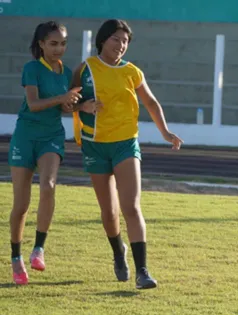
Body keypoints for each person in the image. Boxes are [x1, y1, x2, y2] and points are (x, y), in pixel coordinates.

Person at [71, 19, 183, 290]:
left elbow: (151, 103)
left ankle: (143, 271)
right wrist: (83, 106)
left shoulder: (132, 72)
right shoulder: (85, 69)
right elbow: (67, 103)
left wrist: (165, 133)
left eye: (125, 42)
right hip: (95, 145)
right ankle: (118, 252)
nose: (121, 46)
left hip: (125, 144)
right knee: (109, 214)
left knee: (131, 206)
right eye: (116, 40)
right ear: (102, 40)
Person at [8, 21, 83, 285]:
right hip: (25, 136)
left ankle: (39, 248)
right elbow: (34, 103)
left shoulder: (67, 73)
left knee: (49, 186)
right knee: (21, 205)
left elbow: (65, 108)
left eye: (63, 43)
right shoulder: (32, 69)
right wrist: (62, 99)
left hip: (51, 137)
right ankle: (15, 257)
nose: (58, 49)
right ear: (41, 44)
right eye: (53, 43)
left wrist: (80, 106)